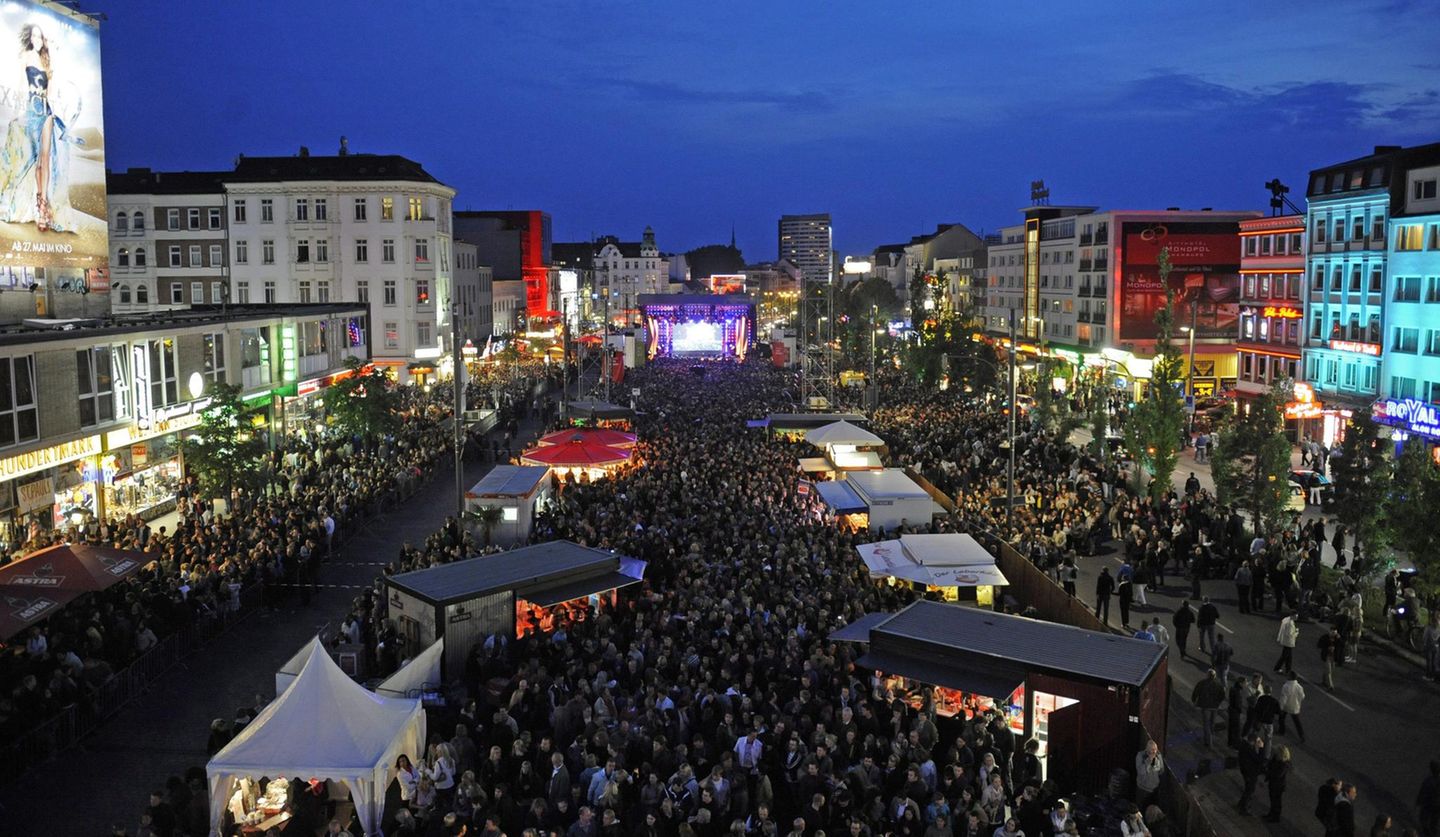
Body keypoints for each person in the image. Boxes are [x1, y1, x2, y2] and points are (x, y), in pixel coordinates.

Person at [0, 22, 83, 233]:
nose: (37, 40)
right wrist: (16, 113)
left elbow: (51, 91)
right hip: (30, 111)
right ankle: (37, 203)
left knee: (45, 158)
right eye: (34, 36)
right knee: (34, 160)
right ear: (30, 38)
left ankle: (43, 206)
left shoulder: (47, 61)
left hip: (46, 112)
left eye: (40, 36)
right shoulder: (26, 57)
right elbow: (20, 86)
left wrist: (54, 111)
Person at [1237, 734, 1266, 816]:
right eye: (1257, 742)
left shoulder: (1244, 746)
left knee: (1248, 789)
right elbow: (1260, 760)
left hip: (1246, 771)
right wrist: (1261, 748)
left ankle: (1241, 803)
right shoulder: (1249, 749)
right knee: (1250, 790)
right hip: (1250, 773)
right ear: (1253, 742)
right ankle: (1244, 808)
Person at [1264, 745, 1292, 822]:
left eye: (1276, 753)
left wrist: (1269, 772)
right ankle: (1271, 814)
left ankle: (1275, 817)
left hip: (1278, 786)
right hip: (1273, 783)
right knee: (1273, 800)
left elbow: (1278, 774)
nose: (1275, 754)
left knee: (1276, 802)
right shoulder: (1276, 759)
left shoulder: (1284, 764)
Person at [1277, 672, 1307, 743]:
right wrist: (1298, 701)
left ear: (1290, 677)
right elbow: (1302, 696)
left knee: (1281, 719)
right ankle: (1302, 735)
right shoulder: (1299, 687)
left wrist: (1280, 707)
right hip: (1295, 707)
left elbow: (1283, 698)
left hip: (1286, 706)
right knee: (1297, 722)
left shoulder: (1286, 686)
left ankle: (1281, 731)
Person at [1134, 740, 1164, 808]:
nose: (1154, 752)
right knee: (1141, 808)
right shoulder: (1140, 756)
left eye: (1155, 749)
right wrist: (1148, 761)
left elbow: (1161, 770)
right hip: (1143, 789)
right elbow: (1141, 772)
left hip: (1154, 790)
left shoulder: (1158, 756)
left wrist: (1157, 762)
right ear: (1147, 750)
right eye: (1152, 750)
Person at [1417, 760, 1440, 837]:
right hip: (1436, 804)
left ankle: (1427, 834)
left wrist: (1418, 801)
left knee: (1424, 820)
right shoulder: (1432, 780)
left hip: (1429, 804)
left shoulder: (1428, 780)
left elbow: (1422, 791)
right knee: (1434, 822)